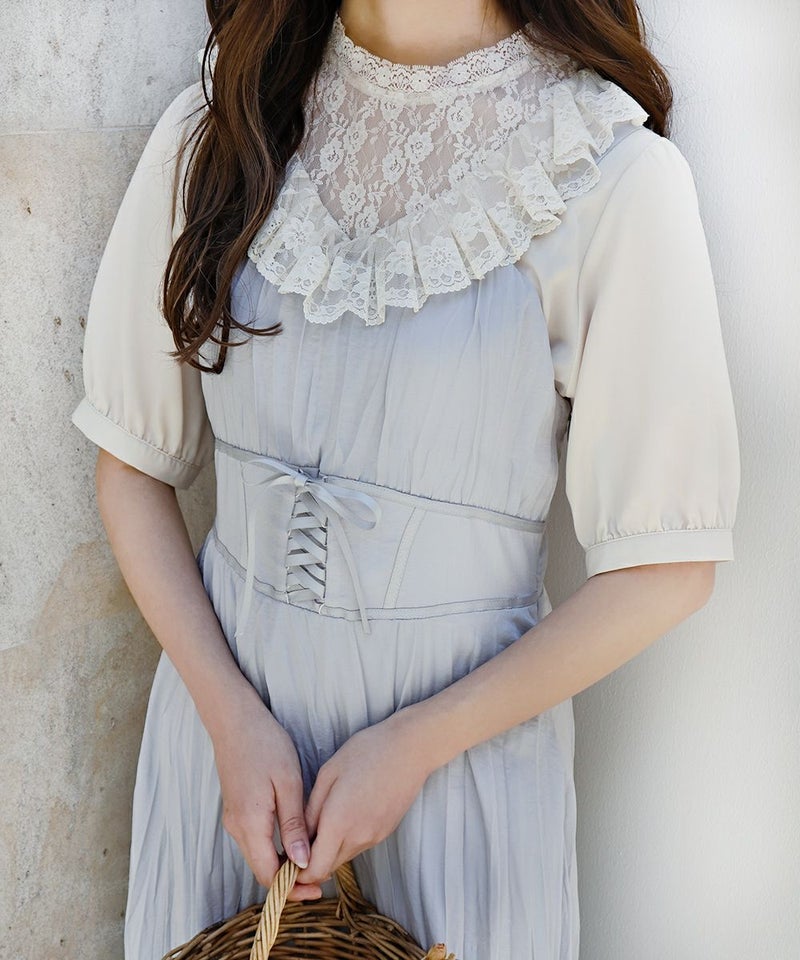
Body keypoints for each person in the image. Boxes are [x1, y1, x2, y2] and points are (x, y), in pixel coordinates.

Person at [70, 1, 741, 958]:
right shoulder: (227, 122)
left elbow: (666, 569)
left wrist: (417, 744)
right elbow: (132, 467)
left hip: (459, 776)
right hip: (224, 767)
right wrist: (229, 719)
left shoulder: (606, 169)